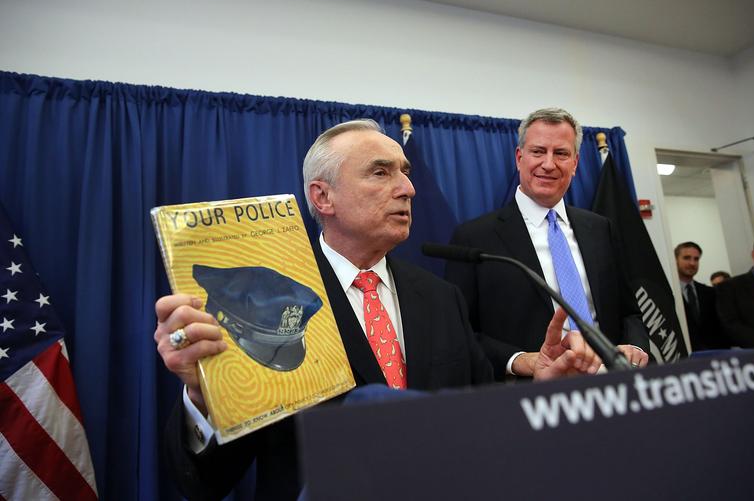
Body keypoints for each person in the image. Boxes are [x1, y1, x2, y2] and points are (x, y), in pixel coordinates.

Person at [153, 119, 602, 500]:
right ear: (323, 198)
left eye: (404, 173)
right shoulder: (272, 299)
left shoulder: (440, 297)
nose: (407, 188)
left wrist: (537, 389)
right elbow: (204, 483)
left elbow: (477, 422)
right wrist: (203, 395)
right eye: (380, 172)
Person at [445, 107, 649, 380]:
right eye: (538, 151)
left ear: (575, 163)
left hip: (611, 383)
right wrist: (520, 361)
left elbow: (630, 312)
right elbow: (459, 331)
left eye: (561, 153)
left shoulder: (600, 228)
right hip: (529, 395)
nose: (549, 164)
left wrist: (634, 347)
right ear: (519, 158)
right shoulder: (473, 238)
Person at [674, 242, 728, 350]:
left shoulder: (710, 292)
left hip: (712, 354)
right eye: (686, 258)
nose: (692, 263)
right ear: (675, 260)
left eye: (696, 259)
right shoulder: (669, 292)